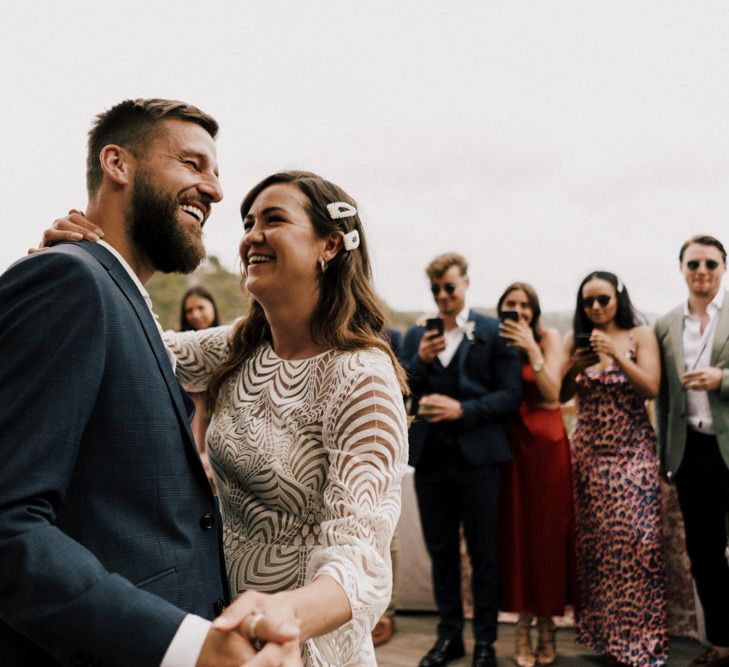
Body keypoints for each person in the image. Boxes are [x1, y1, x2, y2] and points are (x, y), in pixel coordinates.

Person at [0, 99, 299, 666]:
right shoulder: (70, 279)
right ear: (117, 163)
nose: (214, 190)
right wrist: (186, 646)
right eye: (193, 164)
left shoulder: (117, 297)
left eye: (215, 173)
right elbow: (9, 523)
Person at [158, 171, 408, 665]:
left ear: (330, 245)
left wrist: (282, 616)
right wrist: (90, 260)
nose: (252, 235)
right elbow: (144, 349)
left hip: (296, 638)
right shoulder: (242, 346)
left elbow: (359, 558)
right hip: (220, 624)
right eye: (249, 222)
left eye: (274, 219)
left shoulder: (362, 377)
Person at [401, 253, 522, 667]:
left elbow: (510, 397)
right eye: (435, 290)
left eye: (449, 288)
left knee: (484, 552)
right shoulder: (417, 334)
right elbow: (403, 386)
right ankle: (449, 636)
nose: (442, 297)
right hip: (432, 462)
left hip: (480, 461)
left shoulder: (494, 331)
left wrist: (462, 411)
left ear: (466, 283)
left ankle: (486, 642)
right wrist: (422, 360)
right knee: (442, 553)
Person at [561, 271, 667, 667]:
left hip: (633, 453)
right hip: (589, 455)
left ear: (618, 297)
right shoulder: (577, 340)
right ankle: (606, 639)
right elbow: (561, 395)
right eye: (587, 302)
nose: (595, 308)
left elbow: (651, 388)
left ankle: (643, 642)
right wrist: (574, 366)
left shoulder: (639, 335)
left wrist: (618, 354)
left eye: (602, 299)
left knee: (639, 546)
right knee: (598, 550)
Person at [654, 235, 729, 667]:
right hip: (691, 454)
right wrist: (668, 455)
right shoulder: (665, 324)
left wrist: (723, 378)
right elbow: (663, 397)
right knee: (704, 553)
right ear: (682, 268)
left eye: (711, 264)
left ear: (723, 267)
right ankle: (721, 641)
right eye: (694, 263)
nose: (702, 271)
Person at [496, 282, 575, 667]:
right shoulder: (496, 342)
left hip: (546, 447)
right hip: (510, 447)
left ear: (535, 310)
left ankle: (548, 626)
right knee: (516, 536)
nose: (518, 311)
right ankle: (521, 626)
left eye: (525, 305)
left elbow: (552, 393)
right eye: (511, 305)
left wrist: (530, 347)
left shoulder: (548, 337)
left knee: (548, 537)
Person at [179, 285, 221, 488]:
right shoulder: (177, 350)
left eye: (200, 307)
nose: (195, 314)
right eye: (189, 310)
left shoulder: (228, 345)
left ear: (212, 307)